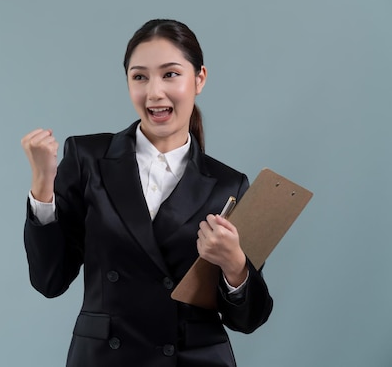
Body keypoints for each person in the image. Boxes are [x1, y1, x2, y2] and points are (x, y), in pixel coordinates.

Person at [20, 19, 273, 367]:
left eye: (170, 74)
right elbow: (49, 280)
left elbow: (248, 320)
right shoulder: (88, 158)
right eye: (140, 77)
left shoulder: (229, 185)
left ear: (199, 79)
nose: (154, 92)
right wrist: (43, 185)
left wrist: (234, 264)